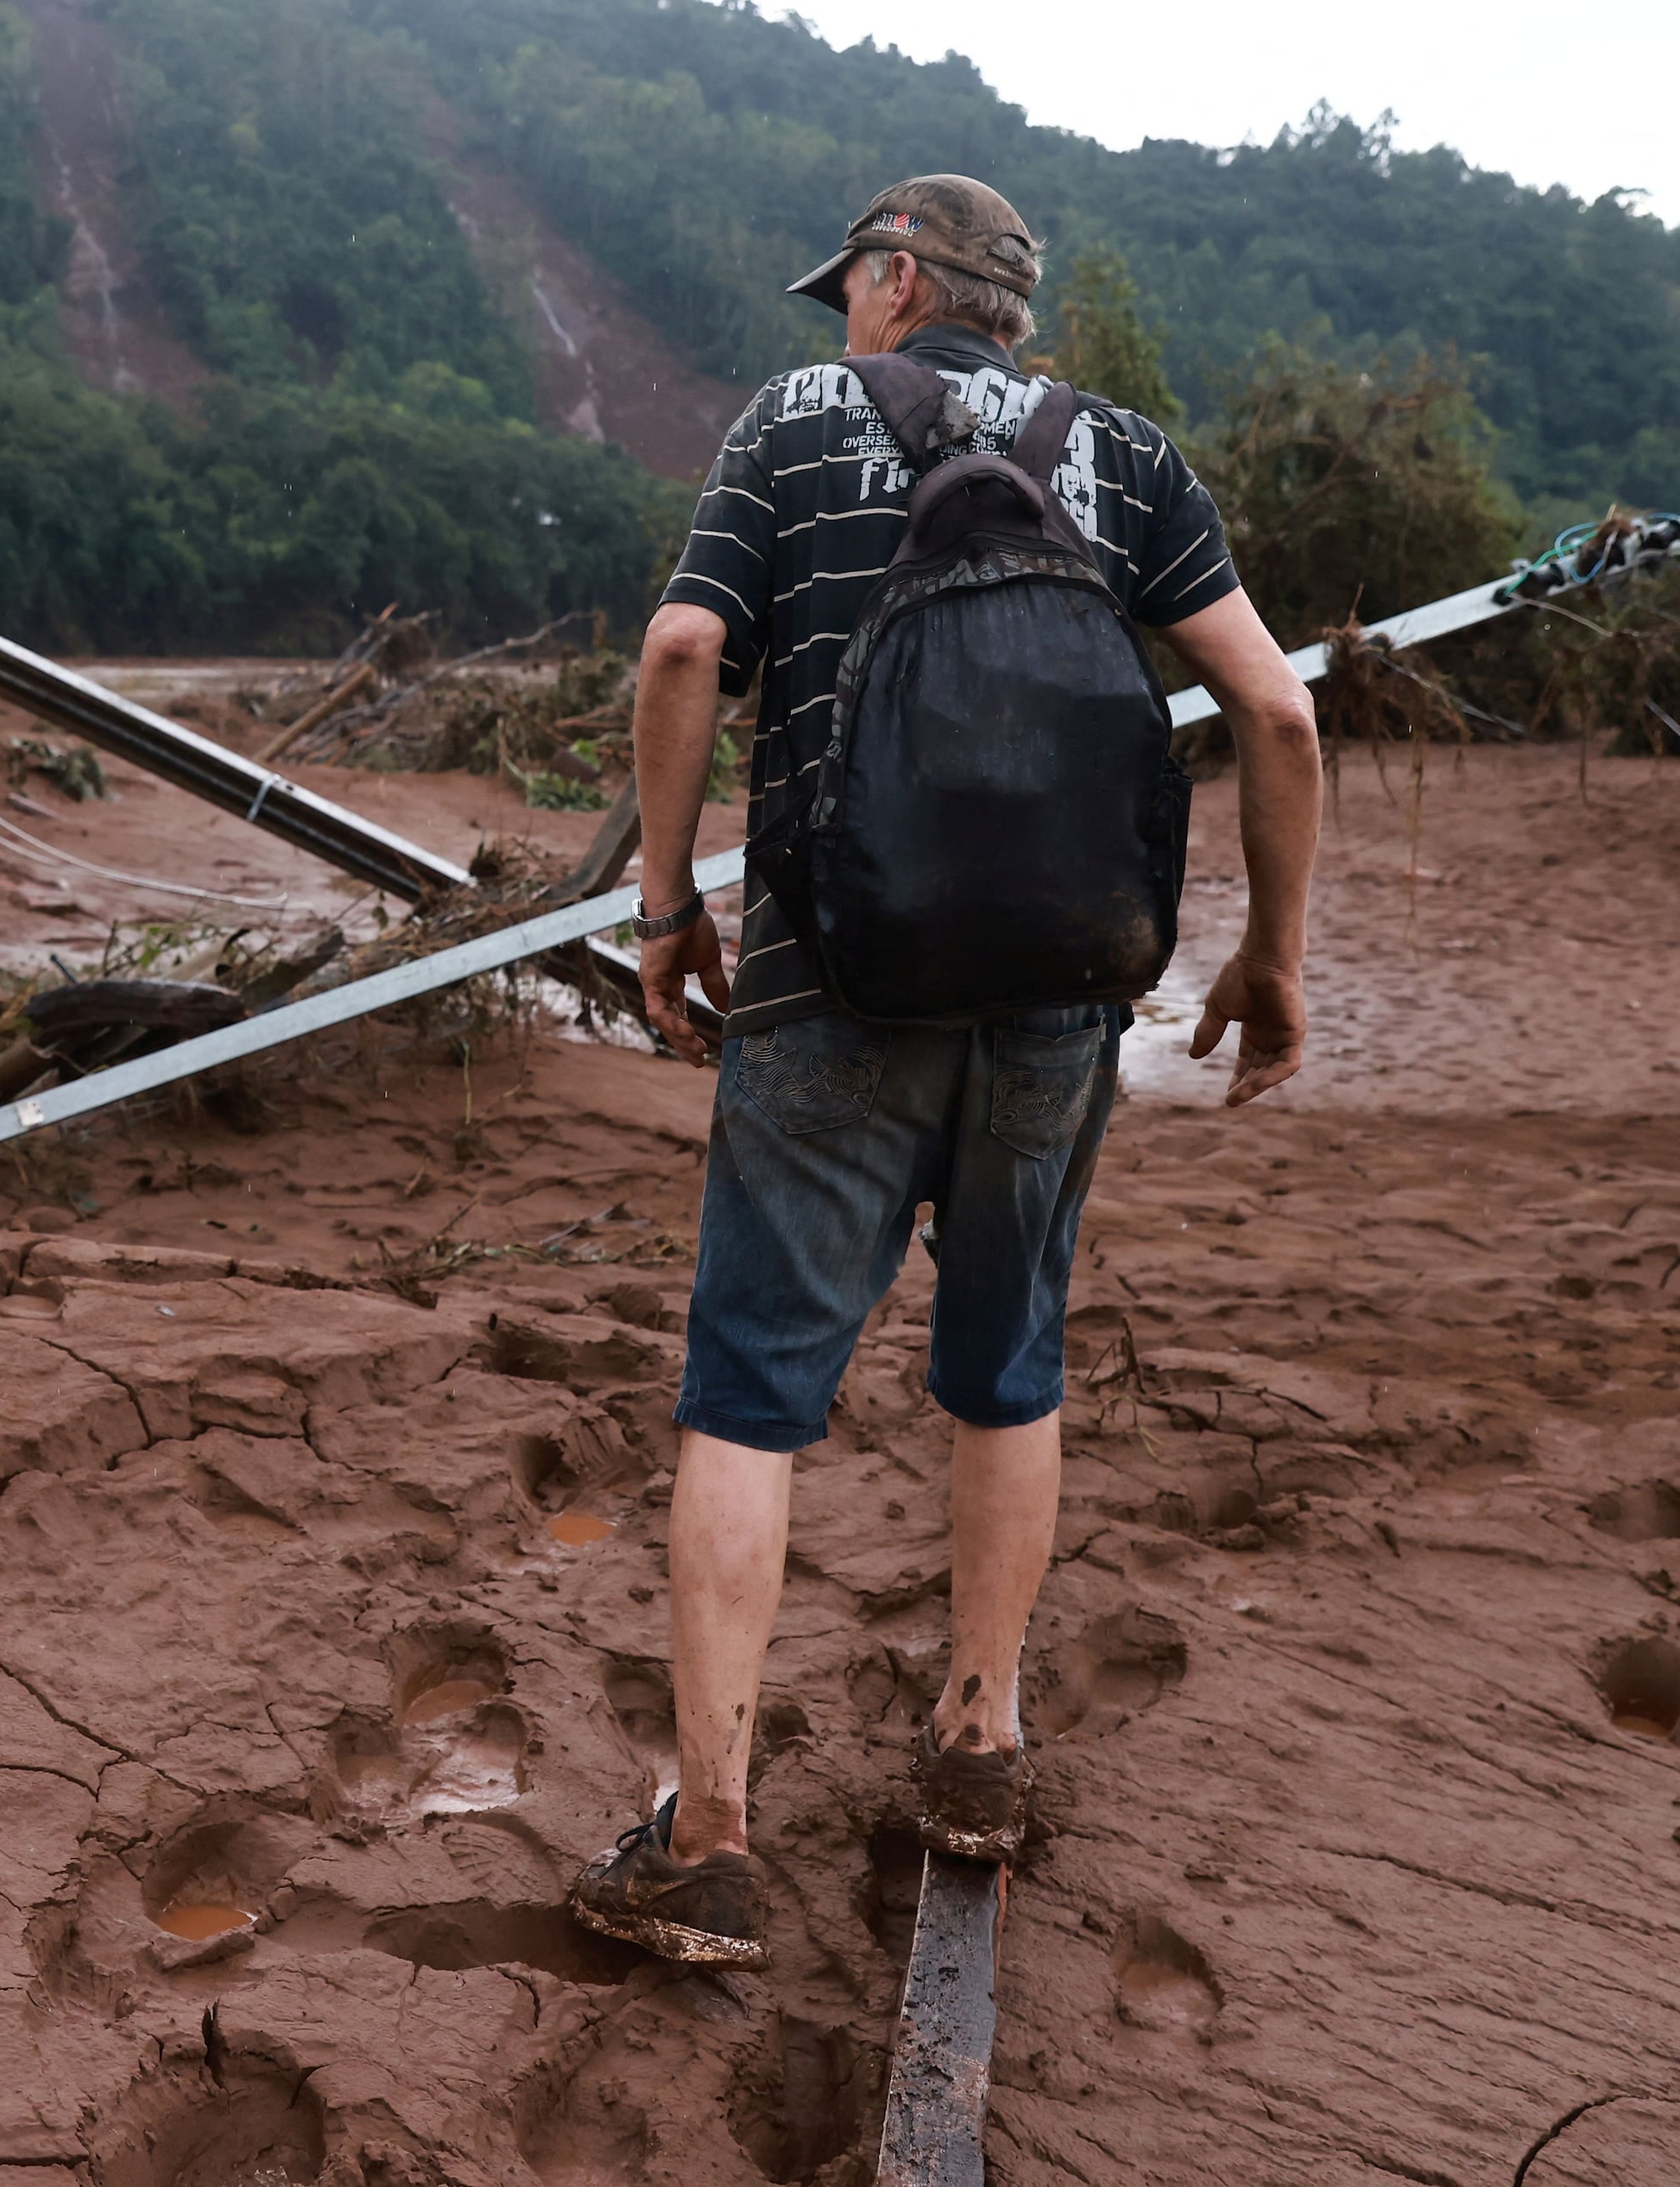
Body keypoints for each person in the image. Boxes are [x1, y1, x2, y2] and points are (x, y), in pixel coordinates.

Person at [565, 174, 1324, 1969]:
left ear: (900, 280)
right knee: (1005, 1365)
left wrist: (670, 903)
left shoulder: (792, 427)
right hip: (1062, 1001)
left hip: (833, 982)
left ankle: (711, 1841)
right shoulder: (1126, 460)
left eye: (851, 281)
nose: (842, 310)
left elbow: (684, 649)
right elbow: (1277, 711)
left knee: (750, 1392)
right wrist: (1270, 956)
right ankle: (978, 1749)